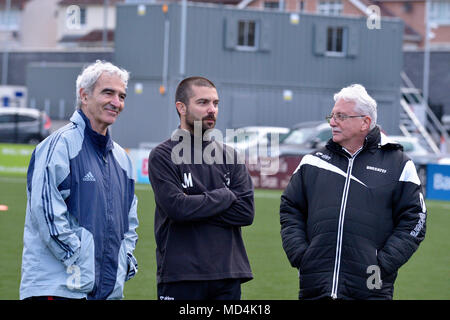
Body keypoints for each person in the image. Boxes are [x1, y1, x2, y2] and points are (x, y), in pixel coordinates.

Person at [280, 84, 427, 300]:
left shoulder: (398, 164)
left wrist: (382, 264)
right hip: (315, 286)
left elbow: (416, 220)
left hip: (371, 288)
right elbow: (290, 209)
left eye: (341, 116)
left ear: (365, 122)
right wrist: (301, 255)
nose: (332, 122)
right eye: (332, 115)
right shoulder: (312, 162)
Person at [20, 60, 139, 300]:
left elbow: (130, 223)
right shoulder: (58, 146)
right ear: (84, 96)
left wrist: (124, 260)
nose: (117, 102)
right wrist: (82, 261)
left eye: (122, 96)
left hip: (107, 292)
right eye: (108, 93)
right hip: (57, 289)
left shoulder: (122, 160)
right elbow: (47, 214)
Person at [147, 76, 254, 300]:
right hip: (181, 275)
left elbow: (245, 212)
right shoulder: (163, 155)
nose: (212, 109)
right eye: (203, 103)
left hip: (228, 274)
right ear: (181, 107)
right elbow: (177, 208)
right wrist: (225, 195)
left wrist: (194, 203)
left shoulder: (230, 156)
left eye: (215, 103)